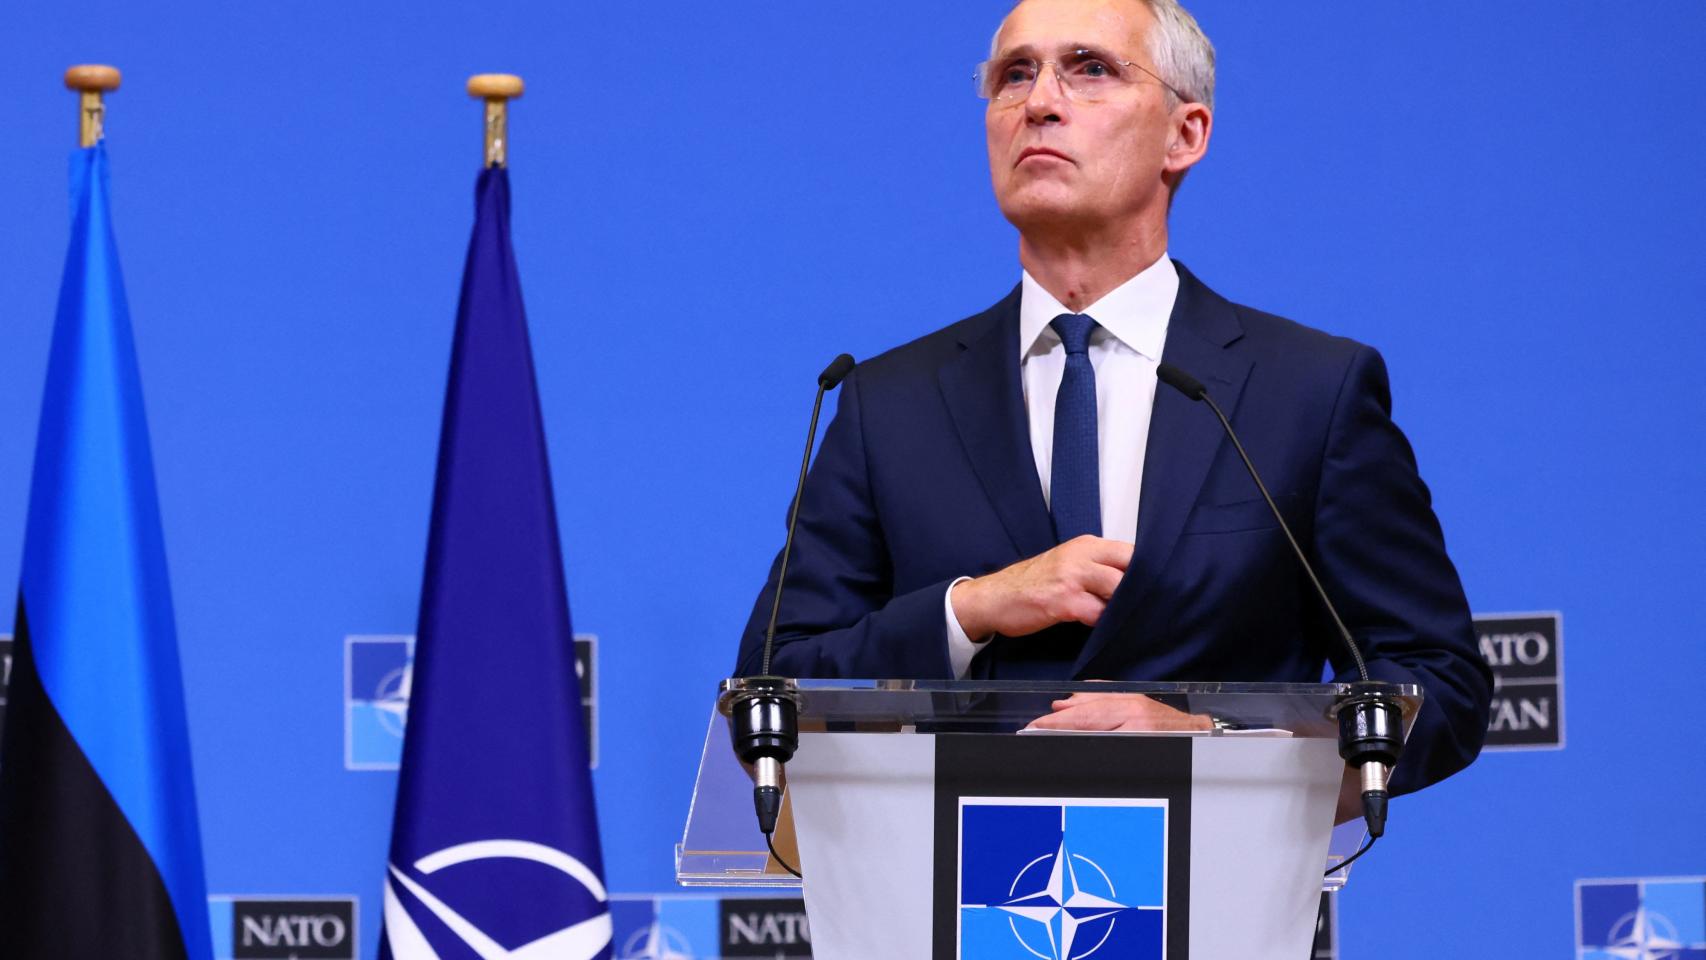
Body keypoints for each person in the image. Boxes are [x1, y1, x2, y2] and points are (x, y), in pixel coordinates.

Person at [734, 0, 1491, 794]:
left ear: (1185, 135)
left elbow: (1438, 684)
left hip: (1217, 903)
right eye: (1014, 75)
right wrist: (974, 608)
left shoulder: (1308, 390)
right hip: (954, 898)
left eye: (1090, 69)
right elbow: (773, 682)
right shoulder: (888, 403)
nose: (1041, 102)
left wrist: (1220, 745)